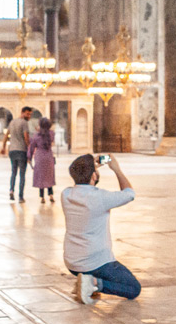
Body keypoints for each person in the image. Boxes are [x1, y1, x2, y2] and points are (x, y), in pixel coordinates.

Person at [62, 154, 140, 304]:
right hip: (96, 263)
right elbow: (130, 194)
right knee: (133, 288)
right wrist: (116, 169)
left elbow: (83, 178)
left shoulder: (66, 194)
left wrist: (90, 168)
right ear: (93, 175)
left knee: (112, 273)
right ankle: (93, 283)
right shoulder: (101, 197)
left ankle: (85, 279)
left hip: (72, 263)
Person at [2, 106, 32, 202]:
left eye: (30, 114)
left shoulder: (12, 122)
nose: (29, 116)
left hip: (12, 150)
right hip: (21, 150)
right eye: (28, 114)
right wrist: (29, 148)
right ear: (22, 113)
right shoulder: (24, 123)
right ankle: (20, 196)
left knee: (13, 172)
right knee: (22, 174)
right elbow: (26, 137)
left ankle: (11, 191)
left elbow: (6, 135)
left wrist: (3, 147)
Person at [28, 117, 56, 202]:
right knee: (49, 176)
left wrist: (29, 157)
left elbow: (32, 146)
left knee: (41, 176)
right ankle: (51, 195)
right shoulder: (51, 134)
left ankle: (42, 197)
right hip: (48, 156)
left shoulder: (36, 135)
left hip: (40, 156)